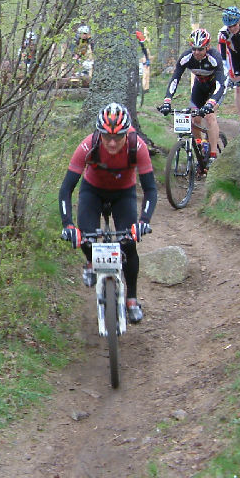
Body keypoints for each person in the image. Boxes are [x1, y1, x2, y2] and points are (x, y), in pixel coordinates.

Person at [58, 103, 157, 324]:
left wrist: (143, 221)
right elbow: (66, 189)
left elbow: (150, 189)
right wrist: (68, 225)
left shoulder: (137, 146)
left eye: (118, 137)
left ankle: (131, 298)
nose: (112, 143)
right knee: (84, 235)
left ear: (126, 133)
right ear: (99, 133)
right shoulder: (88, 145)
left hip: (124, 193)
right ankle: (92, 262)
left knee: (129, 244)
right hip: (93, 191)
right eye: (106, 136)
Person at [159, 29, 225, 167]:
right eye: (194, 49)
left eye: (200, 49)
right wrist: (167, 100)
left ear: (208, 47)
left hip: (215, 89)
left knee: (209, 116)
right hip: (199, 87)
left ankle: (213, 155)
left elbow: (220, 85)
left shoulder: (215, 58)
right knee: (194, 118)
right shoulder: (186, 57)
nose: (196, 52)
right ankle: (200, 147)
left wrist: (210, 104)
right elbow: (175, 78)